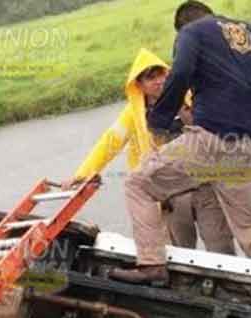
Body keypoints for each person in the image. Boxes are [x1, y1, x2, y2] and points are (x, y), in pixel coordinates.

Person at [110, 1, 251, 286]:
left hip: (213, 140)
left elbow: (182, 71)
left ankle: (152, 264)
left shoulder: (192, 32)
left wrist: (160, 119)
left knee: (137, 184)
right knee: (248, 229)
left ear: (182, 25)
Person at [66, 48, 235, 255]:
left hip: (206, 185)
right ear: (140, 85)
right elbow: (109, 143)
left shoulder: (191, 95)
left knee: (221, 247)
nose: (159, 81)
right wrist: (82, 174)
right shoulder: (134, 114)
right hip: (171, 194)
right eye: (150, 78)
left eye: (162, 74)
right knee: (182, 254)